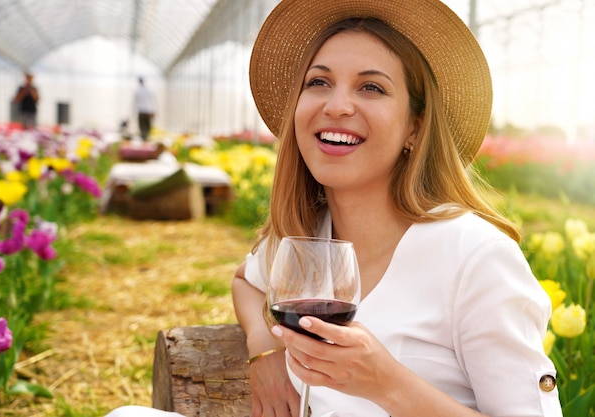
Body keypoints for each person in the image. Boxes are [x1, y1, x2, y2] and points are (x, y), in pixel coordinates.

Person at [105, 0, 563, 416]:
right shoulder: (307, 238)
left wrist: (388, 385)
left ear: (415, 128)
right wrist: (264, 348)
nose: (337, 105)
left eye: (371, 88)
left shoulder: (474, 256)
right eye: (319, 82)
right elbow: (246, 280)